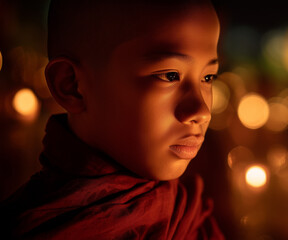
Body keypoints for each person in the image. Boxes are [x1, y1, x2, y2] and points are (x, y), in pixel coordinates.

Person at [0, 0, 224, 239]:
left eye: (208, 77)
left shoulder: (187, 216)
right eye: (170, 75)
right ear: (71, 86)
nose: (201, 111)